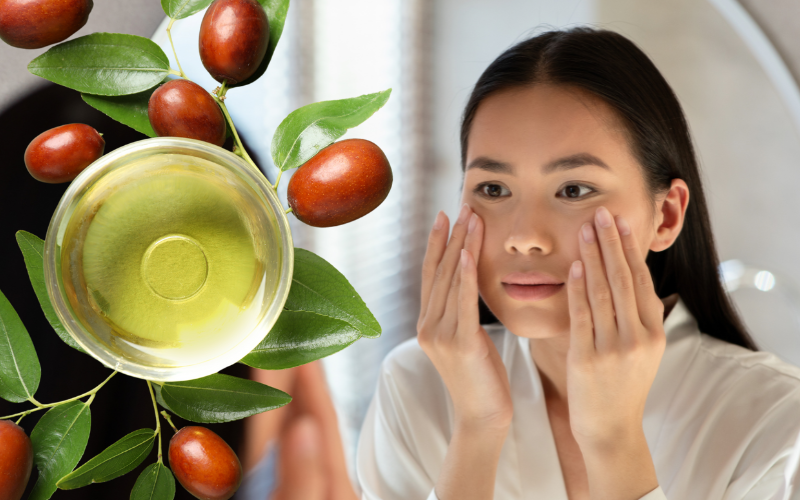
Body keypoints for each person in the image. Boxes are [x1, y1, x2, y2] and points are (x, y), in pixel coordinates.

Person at [355, 26, 800, 500]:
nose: (524, 238)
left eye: (573, 190)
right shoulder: (416, 387)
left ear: (666, 215)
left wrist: (613, 442)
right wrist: (477, 430)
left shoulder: (776, 423)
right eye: (493, 189)